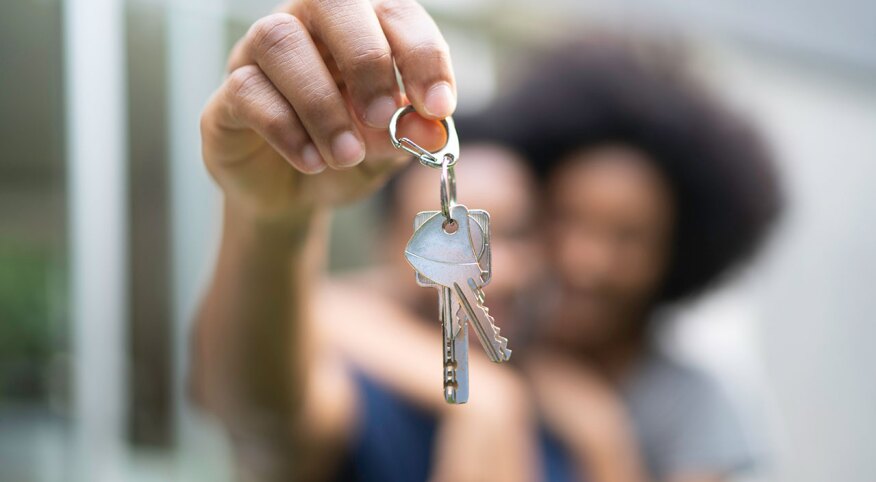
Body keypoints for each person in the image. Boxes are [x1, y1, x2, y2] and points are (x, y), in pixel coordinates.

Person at [192, 1, 782, 480]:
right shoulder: (370, 398)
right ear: (392, 257)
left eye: (516, 231)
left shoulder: (600, 413)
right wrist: (272, 222)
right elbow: (264, 406)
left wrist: (597, 439)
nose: (586, 261)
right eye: (450, 232)